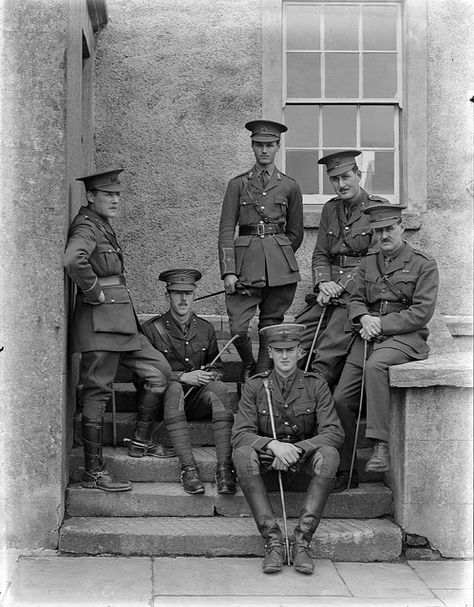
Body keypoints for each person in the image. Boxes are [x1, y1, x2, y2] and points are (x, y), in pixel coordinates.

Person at [64, 169, 171, 492]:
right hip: (100, 322)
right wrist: (93, 290)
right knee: (97, 390)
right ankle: (93, 472)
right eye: (107, 194)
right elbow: (73, 259)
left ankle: (139, 439)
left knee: (159, 371)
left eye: (117, 194)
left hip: (121, 322)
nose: (114, 199)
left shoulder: (100, 225)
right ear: (91, 196)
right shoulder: (86, 226)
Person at [333, 203, 438, 486]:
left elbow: (421, 312)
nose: (383, 236)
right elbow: (354, 299)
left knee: (376, 365)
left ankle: (381, 446)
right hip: (368, 334)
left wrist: (382, 324)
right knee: (341, 398)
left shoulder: (423, 263)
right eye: (378, 231)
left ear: (402, 227)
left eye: (389, 229)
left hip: (404, 337)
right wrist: (364, 317)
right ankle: (346, 467)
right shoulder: (368, 263)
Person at [231, 324, 344, 575]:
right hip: (267, 456)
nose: (284, 356)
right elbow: (239, 434)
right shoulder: (255, 386)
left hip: (302, 457)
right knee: (241, 454)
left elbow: (334, 432)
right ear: (269, 352)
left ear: (300, 351)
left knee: (329, 456)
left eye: (290, 350)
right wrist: (274, 445)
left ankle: (302, 543)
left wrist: (298, 449)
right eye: (278, 350)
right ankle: (273, 543)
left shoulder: (316, 385)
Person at [137, 269, 236, 495]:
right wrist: (180, 376)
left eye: (188, 293)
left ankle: (225, 468)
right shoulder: (152, 329)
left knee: (219, 388)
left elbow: (218, 368)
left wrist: (209, 375)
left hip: (196, 401)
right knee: (173, 388)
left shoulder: (205, 328)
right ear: (167, 296)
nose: (183, 299)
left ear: (194, 295)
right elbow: (141, 374)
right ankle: (188, 468)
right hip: (165, 402)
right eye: (177, 293)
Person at [218, 120, 304, 382]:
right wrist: (228, 271)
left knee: (271, 324)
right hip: (245, 267)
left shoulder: (289, 186)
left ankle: (261, 374)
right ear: (252, 147)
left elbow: (295, 233)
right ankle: (247, 363)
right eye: (259, 145)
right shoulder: (238, 184)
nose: (264, 150)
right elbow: (225, 230)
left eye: (269, 145)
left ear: (278, 147)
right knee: (237, 327)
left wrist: (280, 256)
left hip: (279, 269)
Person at [294, 150, 388, 389]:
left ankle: (315, 397)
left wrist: (340, 285)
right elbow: (321, 254)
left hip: (358, 292)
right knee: (296, 335)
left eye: (346, 177)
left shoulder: (378, 208)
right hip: (328, 292)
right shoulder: (330, 209)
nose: (341, 184)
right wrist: (324, 283)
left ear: (358, 174)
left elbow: (375, 259)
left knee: (330, 344)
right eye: (335, 180)